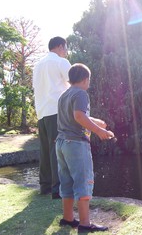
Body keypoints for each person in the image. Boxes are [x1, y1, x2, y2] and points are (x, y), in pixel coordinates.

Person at [56, 63, 114, 232]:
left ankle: (68, 219)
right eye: (89, 80)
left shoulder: (64, 95)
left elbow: (73, 117)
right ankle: (85, 224)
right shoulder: (81, 93)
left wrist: (96, 122)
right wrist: (99, 131)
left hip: (61, 144)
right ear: (85, 79)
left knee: (66, 183)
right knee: (83, 183)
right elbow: (79, 116)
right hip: (76, 144)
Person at [32, 36, 71, 199]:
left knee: (45, 150)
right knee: (58, 150)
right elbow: (75, 83)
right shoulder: (61, 62)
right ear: (60, 46)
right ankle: (58, 189)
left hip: (41, 112)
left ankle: (45, 186)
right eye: (66, 48)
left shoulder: (37, 65)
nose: (66, 52)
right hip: (56, 110)